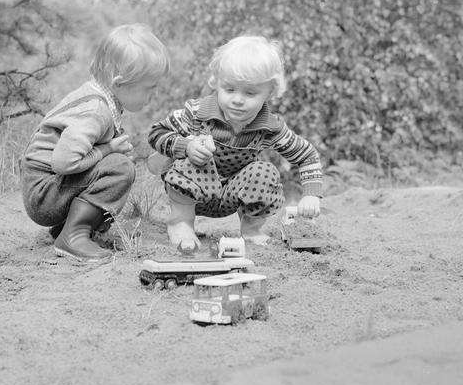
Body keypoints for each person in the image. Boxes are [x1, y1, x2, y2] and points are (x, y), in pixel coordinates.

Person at [147, 35, 322, 252]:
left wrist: (311, 194)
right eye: (229, 89)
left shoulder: (270, 127)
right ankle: (181, 223)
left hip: (232, 195)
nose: (238, 99)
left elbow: (307, 155)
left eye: (250, 92)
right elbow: (157, 133)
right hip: (191, 192)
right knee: (192, 159)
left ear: (271, 91)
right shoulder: (197, 113)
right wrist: (186, 146)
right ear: (216, 82)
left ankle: (251, 230)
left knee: (265, 171)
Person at [20, 24, 170, 261]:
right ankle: (74, 235)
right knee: (119, 168)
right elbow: (63, 162)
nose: (155, 95)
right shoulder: (95, 112)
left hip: (46, 186)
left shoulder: (101, 100)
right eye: (150, 88)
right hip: (42, 192)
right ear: (120, 83)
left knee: (116, 165)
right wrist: (108, 149)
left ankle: (68, 228)